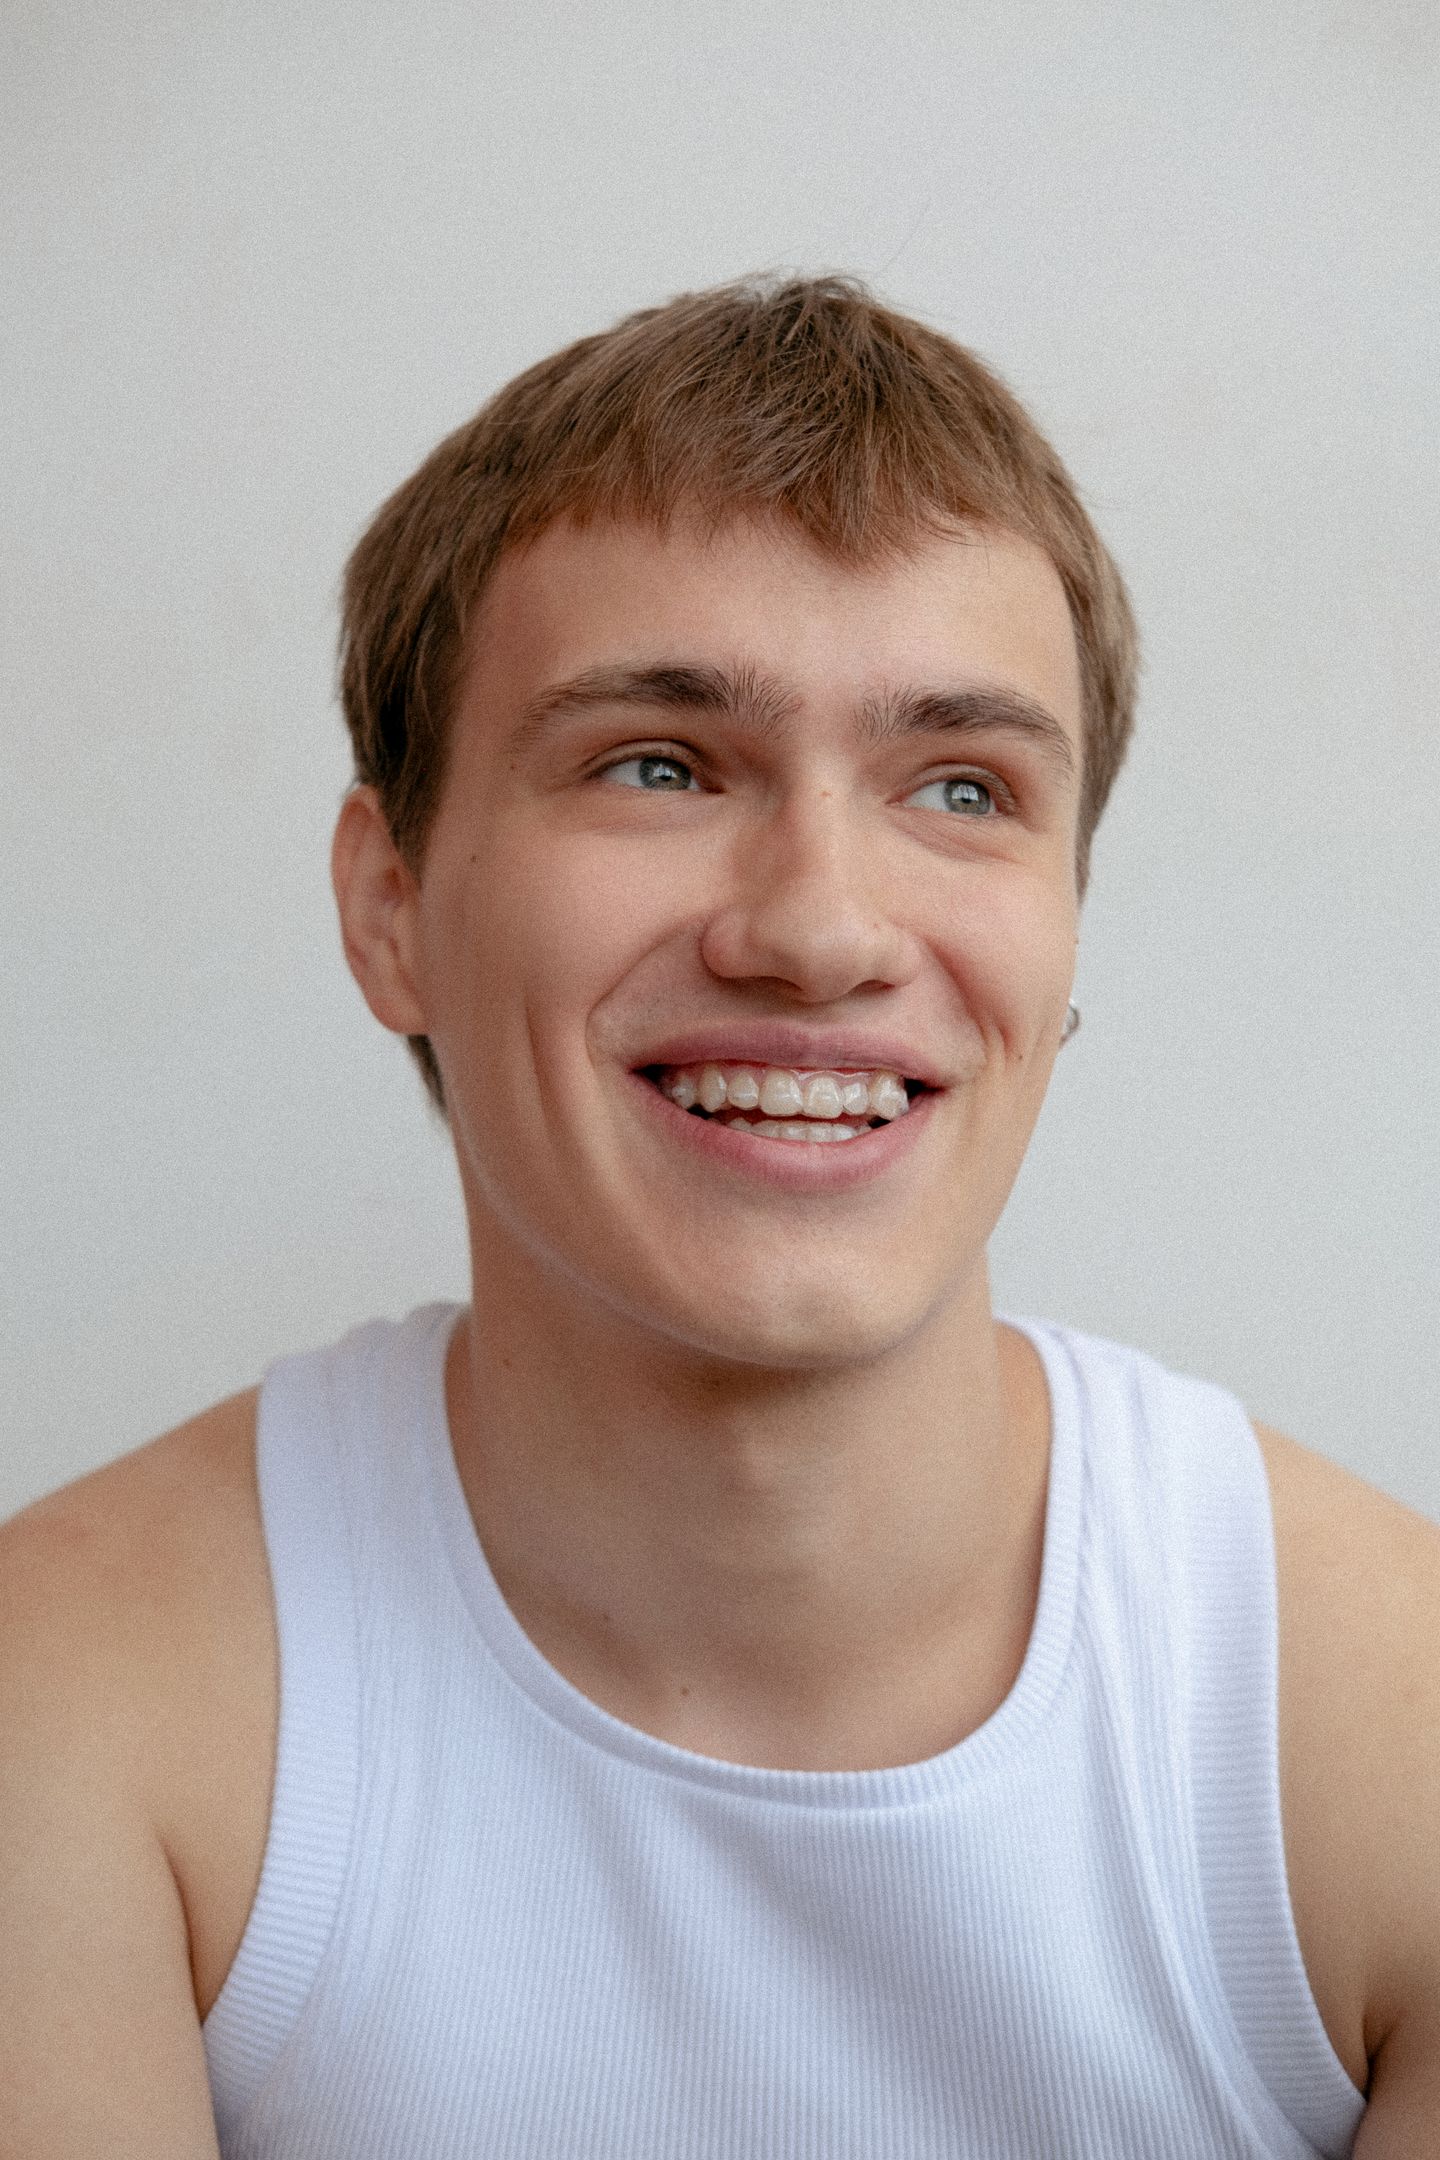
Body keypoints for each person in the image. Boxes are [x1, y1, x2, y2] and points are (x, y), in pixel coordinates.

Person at [2, 276, 1436, 2159]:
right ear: (389, 905)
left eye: (961, 788)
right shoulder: (71, 1708)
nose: (821, 929)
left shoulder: (1390, 1736)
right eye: (659, 766)